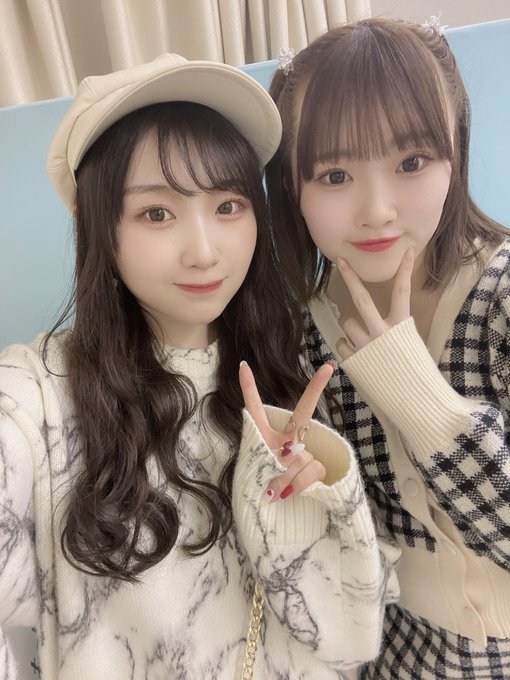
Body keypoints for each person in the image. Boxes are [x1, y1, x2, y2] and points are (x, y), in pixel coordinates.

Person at [0, 54, 400, 679]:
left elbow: (353, 639)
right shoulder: (41, 397)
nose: (205, 251)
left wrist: (312, 507)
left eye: (229, 206)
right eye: (157, 213)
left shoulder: (296, 369)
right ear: (101, 230)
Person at [266, 15, 510, 680]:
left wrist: (423, 402)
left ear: (455, 152)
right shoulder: (298, 336)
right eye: (334, 174)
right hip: (389, 657)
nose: (377, 209)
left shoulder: (498, 297)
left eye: (411, 163)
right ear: (291, 185)